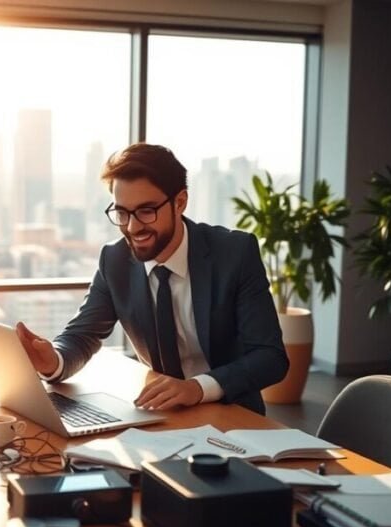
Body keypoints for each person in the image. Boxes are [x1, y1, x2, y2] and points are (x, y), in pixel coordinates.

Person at [15, 143, 287, 415]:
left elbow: (270, 357)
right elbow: (82, 334)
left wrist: (197, 388)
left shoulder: (234, 254)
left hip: (231, 413)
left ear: (180, 202)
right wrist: (54, 360)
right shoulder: (115, 260)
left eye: (146, 211)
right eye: (122, 213)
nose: (132, 227)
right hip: (159, 414)